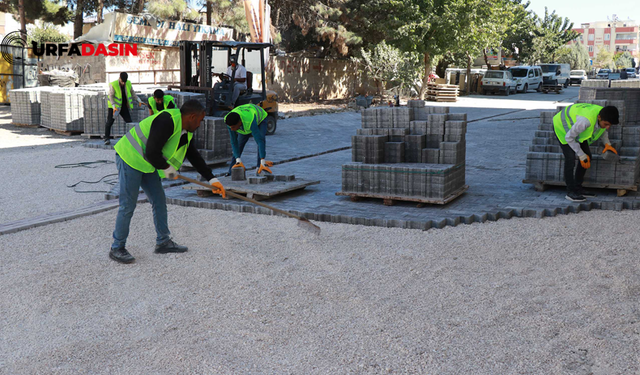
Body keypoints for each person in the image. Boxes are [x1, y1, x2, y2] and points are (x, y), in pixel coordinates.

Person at [109, 100, 225, 264]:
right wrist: (167, 168)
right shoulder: (167, 121)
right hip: (130, 158)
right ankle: (117, 247)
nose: (200, 124)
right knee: (128, 205)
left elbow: (194, 156)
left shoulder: (186, 130)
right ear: (192, 116)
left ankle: (163, 242)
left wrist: (212, 179)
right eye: (200, 120)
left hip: (148, 163)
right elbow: (151, 152)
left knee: (159, 200)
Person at [553, 104, 620, 202]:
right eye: (606, 124)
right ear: (599, 117)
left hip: (575, 129)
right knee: (570, 159)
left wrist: (607, 144)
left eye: (609, 125)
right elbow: (569, 138)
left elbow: (603, 130)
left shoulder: (603, 114)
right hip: (563, 128)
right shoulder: (585, 121)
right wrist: (581, 154)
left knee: (588, 156)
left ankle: (578, 188)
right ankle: (570, 192)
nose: (608, 127)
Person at [224, 103, 272, 175]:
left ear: (239, 123)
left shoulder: (250, 121)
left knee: (261, 138)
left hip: (260, 117)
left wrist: (263, 160)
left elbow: (259, 141)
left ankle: (260, 167)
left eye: (233, 127)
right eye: (230, 127)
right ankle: (232, 170)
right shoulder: (228, 120)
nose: (232, 129)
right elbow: (234, 142)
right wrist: (238, 159)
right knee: (239, 144)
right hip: (246, 115)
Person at [104, 72, 144, 145]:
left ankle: (133, 139)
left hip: (123, 106)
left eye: (124, 82)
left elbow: (132, 93)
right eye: (122, 81)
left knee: (129, 121)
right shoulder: (113, 84)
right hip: (114, 107)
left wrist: (138, 100)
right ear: (119, 78)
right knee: (110, 122)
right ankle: (106, 138)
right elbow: (111, 96)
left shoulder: (128, 83)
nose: (123, 83)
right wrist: (114, 107)